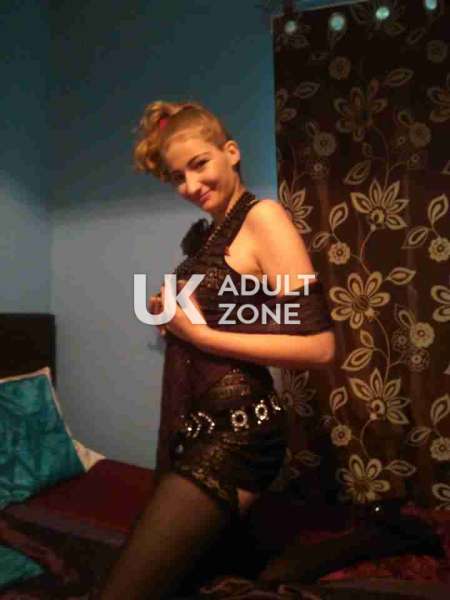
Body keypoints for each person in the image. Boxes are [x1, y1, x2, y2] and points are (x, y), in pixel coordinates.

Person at [93, 101, 336, 599]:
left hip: (240, 431)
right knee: (212, 576)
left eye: (199, 164)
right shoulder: (207, 236)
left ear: (231, 152)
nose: (190, 185)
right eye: (177, 177)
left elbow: (319, 346)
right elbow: (228, 309)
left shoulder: (263, 217)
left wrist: (200, 334)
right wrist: (170, 310)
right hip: (200, 425)